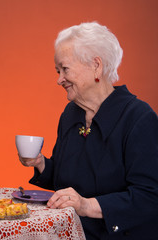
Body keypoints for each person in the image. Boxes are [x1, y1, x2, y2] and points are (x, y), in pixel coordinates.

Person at [18, 22, 158, 239]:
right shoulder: (71, 114)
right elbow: (64, 181)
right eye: (58, 71)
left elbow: (149, 197)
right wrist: (41, 163)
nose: (59, 79)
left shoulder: (138, 118)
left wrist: (86, 205)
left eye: (65, 69)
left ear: (96, 66)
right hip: (69, 233)